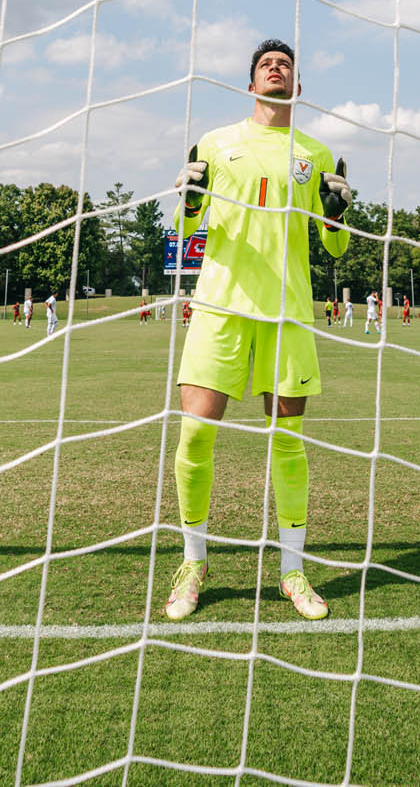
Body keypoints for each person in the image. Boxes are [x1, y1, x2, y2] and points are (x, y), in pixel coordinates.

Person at [161, 38, 351, 623]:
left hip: (288, 313)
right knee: (195, 436)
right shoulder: (215, 145)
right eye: (266, 65)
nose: (276, 68)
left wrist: (341, 214)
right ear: (251, 86)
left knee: (288, 440)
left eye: (286, 65)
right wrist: (188, 198)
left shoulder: (317, 154)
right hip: (219, 306)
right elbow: (183, 225)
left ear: (298, 87)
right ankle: (194, 563)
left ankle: (292, 570)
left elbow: (335, 246)